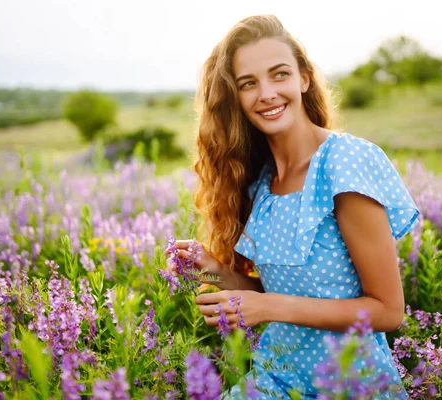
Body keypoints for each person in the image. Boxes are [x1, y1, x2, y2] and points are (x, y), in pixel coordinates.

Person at [166, 14, 420, 399]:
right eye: (248, 83)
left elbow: (387, 311)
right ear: (236, 97)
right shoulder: (262, 182)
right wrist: (216, 272)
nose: (266, 93)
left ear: (303, 78)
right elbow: (272, 291)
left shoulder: (342, 162)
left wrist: (268, 307)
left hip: (348, 385)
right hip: (276, 380)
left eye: (279, 74)